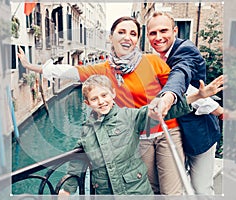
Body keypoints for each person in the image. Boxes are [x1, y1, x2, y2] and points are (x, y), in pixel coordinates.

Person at [17, 16, 222, 195]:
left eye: (133, 33)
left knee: (172, 191)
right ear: (111, 36)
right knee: (151, 188)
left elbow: (178, 87)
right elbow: (68, 72)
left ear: (137, 39)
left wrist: (218, 109)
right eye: (121, 32)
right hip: (140, 135)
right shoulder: (103, 68)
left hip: (168, 130)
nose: (127, 37)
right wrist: (30, 66)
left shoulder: (152, 61)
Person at [57, 74, 221, 195]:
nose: (101, 101)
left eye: (104, 95)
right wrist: (67, 190)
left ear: (113, 94)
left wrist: (198, 96)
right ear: (87, 103)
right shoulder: (87, 130)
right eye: (94, 99)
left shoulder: (129, 116)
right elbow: (77, 162)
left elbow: (164, 111)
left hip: (135, 191)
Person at [146, 11, 223, 195]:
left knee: (201, 189)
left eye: (163, 31)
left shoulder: (185, 50)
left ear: (175, 30)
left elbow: (180, 74)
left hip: (198, 134)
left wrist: (168, 96)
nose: (158, 37)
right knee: (176, 189)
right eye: (153, 33)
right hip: (172, 134)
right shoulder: (154, 59)